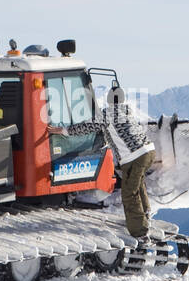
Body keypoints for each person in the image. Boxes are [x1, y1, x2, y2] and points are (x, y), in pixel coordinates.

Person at [56, 86, 155, 240]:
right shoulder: (126, 111)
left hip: (134, 157)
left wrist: (62, 131)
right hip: (149, 151)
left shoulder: (106, 115)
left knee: (129, 193)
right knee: (138, 184)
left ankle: (140, 232)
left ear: (109, 99)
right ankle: (145, 214)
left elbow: (85, 127)